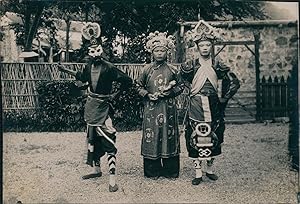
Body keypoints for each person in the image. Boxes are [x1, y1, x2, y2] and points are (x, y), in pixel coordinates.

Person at [57, 22, 132, 192]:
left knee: (109, 138)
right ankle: (96, 169)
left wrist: (116, 94)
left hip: (104, 108)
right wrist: (65, 70)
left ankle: (112, 178)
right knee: (92, 138)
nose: (95, 54)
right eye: (92, 52)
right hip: (91, 106)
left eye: (98, 50)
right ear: (88, 53)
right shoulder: (88, 66)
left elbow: (127, 81)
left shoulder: (110, 68)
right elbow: (81, 77)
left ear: (102, 50)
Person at [181, 20, 240, 185]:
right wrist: (191, 91)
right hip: (196, 104)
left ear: (211, 46)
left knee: (214, 132)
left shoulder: (217, 64)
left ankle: (210, 169)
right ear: (198, 47)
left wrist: (224, 98)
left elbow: (234, 82)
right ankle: (198, 171)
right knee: (195, 132)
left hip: (214, 103)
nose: (205, 48)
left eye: (208, 45)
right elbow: (181, 80)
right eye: (202, 45)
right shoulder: (191, 65)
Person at [136, 31, 184, 180]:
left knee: (168, 135)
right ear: (152, 52)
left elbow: (181, 86)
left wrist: (170, 93)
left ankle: (171, 171)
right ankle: (152, 171)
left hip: (168, 109)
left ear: (167, 52)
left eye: (162, 50)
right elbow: (138, 86)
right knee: (153, 136)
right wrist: (148, 95)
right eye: (156, 50)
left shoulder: (172, 69)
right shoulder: (146, 69)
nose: (159, 53)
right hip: (152, 109)